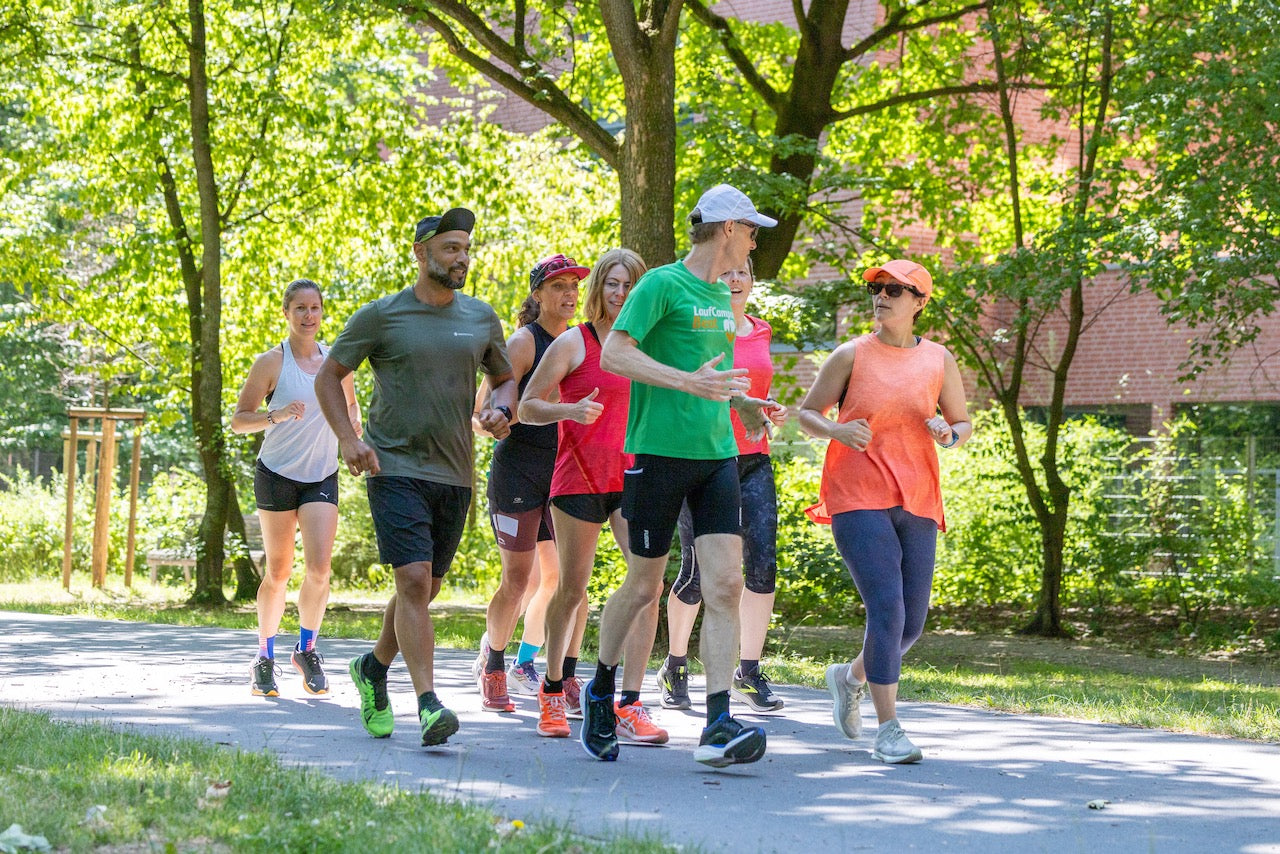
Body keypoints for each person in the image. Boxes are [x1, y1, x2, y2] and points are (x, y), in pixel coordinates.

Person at [582, 184, 777, 767]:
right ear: (725, 231)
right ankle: (600, 688)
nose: (754, 242)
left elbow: (713, 377)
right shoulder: (662, 284)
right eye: (750, 231)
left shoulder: (722, 297)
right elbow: (616, 353)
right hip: (657, 455)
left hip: (717, 456)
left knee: (725, 585)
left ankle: (717, 721)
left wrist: (743, 406)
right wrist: (686, 381)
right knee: (644, 587)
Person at [314, 208, 516, 747]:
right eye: (451, 248)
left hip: (455, 473)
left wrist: (502, 410)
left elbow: (503, 377)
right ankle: (428, 704)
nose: (462, 258)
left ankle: (373, 668)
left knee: (424, 590)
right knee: (411, 581)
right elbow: (330, 376)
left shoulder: (480, 317)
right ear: (420, 253)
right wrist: (348, 439)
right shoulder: (381, 316)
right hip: (393, 466)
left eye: (466, 249)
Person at [797, 258, 972, 764]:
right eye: (877, 288)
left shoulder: (939, 359)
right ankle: (889, 728)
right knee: (887, 609)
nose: (883, 296)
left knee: (910, 624)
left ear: (919, 303)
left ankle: (848, 677)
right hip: (856, 494)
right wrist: (835, 431)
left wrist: (948, 434)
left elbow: (961, 423)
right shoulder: (851, 355)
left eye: (897, 290)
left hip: (916, 494)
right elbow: (808, 413)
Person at [519, 248, 668, 745]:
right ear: (598, 289)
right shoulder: (572, 343)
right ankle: (554, 689)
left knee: (649, 589)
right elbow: (527, 406)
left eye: (630, 285)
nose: (621, 294)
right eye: (613, 284)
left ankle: (628, 702)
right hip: (579, 478)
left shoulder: (651, 344)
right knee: (572, 589)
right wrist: (568, 412)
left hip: (635, 478)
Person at [657, 260, 788, 714]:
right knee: (697, 574)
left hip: (755, 459)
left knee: (763, 567)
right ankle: (675, 664)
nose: (735, 280)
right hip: (707, 457)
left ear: (753, 281)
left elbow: (756, 389)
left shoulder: (761, 330)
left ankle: (747, 672)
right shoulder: (701, 325)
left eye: (744, 273)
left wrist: (770, 410)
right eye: (727, 272)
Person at [231, 278, 361, 698]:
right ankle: (264, 656)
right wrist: (278, 415)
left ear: (323, 313)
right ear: (286, 314)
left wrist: (354, 433)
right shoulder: (270, 362)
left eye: (315, 308)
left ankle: (306, 649)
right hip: (277, 474)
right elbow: (239, 419)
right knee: (279, 571)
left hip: (321, 474)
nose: (309, 316)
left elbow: (351, 406)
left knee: (320, 570)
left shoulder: (336, 363)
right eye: (300, 309)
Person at [472, 253, 587, 712]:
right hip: (518, 472)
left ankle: (548, 669)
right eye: (558, 286)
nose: (568, 294)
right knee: (518, 581)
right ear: (537, 293)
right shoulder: (524, 342)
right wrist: (497, 420)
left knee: (567, 580)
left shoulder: (582, 342)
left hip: (564, 475)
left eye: (574, 286)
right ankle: (494, 663)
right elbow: (481, 413)